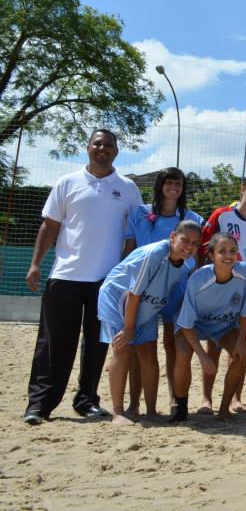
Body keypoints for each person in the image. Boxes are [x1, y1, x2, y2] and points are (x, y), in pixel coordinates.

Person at [24, 129, 143, 425]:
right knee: (53, 343)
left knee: (97, 343)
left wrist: (124, 272)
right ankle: (40, 405)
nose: (103, 148)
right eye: (98, 144)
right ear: (88, 147)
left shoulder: (128, 188)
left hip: (107, 281)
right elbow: (49, 226)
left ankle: (87, 400)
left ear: (117, 151)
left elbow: (132, 236)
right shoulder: (68, 182)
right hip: (65, 275)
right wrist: (36, 263)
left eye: (109, 145)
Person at [98, 221, 200, 425]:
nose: (189, 246)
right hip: (121, 299)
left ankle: (151, 411)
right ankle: (118, 412)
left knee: (148, 353)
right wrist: (128, 329)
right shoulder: (156, 253)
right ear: (172, 237)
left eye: (195, 243)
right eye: (185, 240)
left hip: (148, 305)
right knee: (123, 350)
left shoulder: (187, 264)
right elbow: (134, 293)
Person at [121, 167, 204, 415]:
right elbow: (130, 247)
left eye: (178, 184)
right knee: (138, 345)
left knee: (173, 344)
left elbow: (197, 259)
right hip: (142, 287)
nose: (173, 188)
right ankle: (135, 403)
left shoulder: (192, 218)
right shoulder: (140, 213)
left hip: (177, 287)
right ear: (160, 185)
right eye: (169, 183)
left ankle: (173, 398)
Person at [199, 175, 246, 412]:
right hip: (217, 289)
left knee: (240, 346)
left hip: (245, 290)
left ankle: (235, 398)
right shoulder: (222, 215)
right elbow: (205, 248)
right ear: (243, 189)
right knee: (213, 346)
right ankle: (206, 399)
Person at [169, 232, 246, 422]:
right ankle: (181, 410)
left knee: (241, 355)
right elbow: (186, 323)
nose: (228, 255)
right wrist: (202, 355)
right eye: (222, 251)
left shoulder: (245, 271)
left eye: (232, 250)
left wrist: (241, 341)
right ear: (211, 255)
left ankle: (224, 409)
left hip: (224, 326)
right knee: (182, 351)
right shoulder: (198, 279)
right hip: (196, 326)